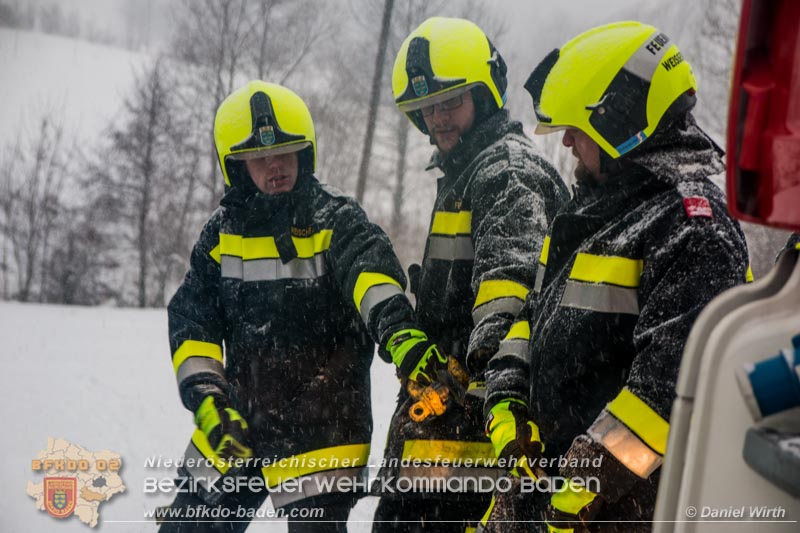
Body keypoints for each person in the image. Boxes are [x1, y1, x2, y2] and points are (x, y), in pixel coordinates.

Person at [481, 21, 751, 532]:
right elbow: (535, 315)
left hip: (621, 513)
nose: (565, 143)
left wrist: (584, 482)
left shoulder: (692, 227)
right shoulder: (595, 210)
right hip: (551, 495)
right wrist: (509, 396)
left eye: (576, 129)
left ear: (620, 121)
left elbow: (671, 388)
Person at [159, 80, 441, 533]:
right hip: (238, 420)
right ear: (236, 166)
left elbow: (372, 276)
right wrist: (209, 400)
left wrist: (400, 334)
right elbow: (193, 322)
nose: (275, 166)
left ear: (304, 155)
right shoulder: (220, 235)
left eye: (286, 153)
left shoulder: (336, 220)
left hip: (323, 426)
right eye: (260, 158)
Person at [372, 17, 568, 532]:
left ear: (483, 95)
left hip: (470, 442)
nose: (438, 118)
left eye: (450, 102)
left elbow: (511, 292)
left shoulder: (506, 172)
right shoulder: (467, 170)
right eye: (428, 107)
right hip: (444, 430)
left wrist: (478, 373)